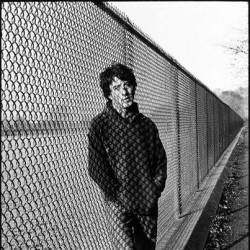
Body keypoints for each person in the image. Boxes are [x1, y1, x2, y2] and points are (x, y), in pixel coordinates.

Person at [87, 63, 167, 250]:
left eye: (127, 85)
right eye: (116, 88)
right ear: (108, 94)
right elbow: (96, 168)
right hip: (118, 205)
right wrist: (117, 196)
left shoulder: (147, 126)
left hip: (146, 201)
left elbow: (160, 162)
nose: (124, 92)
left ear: (133, 87)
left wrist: (154, 191)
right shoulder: (100, 125)